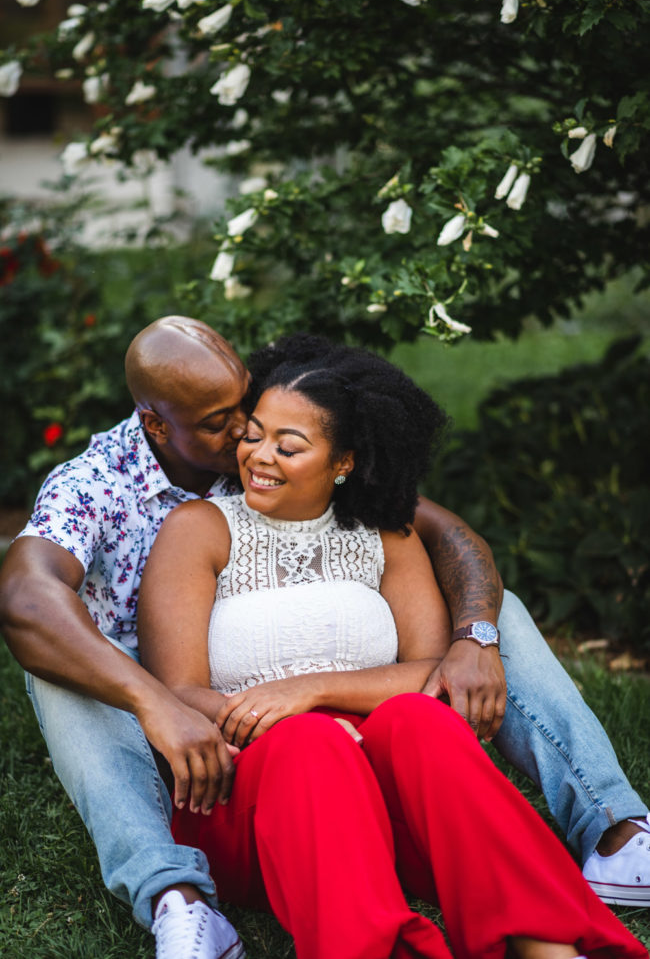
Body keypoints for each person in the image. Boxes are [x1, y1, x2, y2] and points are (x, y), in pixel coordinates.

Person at [0, 318, 646, 957]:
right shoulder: (103, 488)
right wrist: (159, 703)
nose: (245, 437)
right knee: (65, 663)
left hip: (356, 716)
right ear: (158, 425)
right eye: (226, 423)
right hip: (162, 689)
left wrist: (471, 641)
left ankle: (606, 844)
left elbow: (448, 537)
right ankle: (176, 896)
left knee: (479, 629)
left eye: (250, 411)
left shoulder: (304, 460)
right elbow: (28, 600)